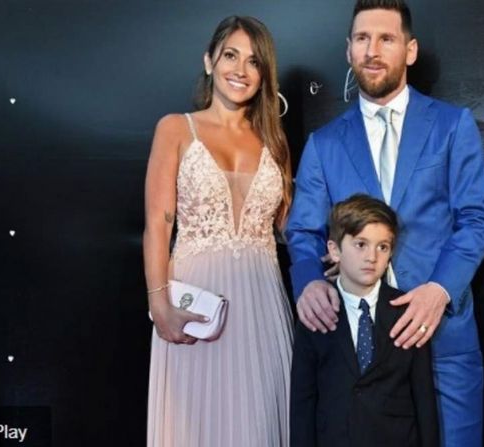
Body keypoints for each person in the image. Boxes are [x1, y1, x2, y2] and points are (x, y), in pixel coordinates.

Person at [285, 1, 484, 446]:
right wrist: (308, 282)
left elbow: (476, 220)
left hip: (441, 338)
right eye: (362, 39)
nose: (372, 50)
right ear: (348, 50)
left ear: (410, 50)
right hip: (360, 353)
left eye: (386, 38)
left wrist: (439, 290)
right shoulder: (324, 144)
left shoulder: (452, 126)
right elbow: (303, 232)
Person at [143, 15, 294, 447]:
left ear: (264, 74)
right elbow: (157, 224)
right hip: (196, 304)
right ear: (209, 62)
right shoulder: (175, 128)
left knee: (258, 425)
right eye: (230, 55)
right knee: (195, 426)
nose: (240, 70)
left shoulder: (274, 140)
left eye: (253, 61)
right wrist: (159, 304)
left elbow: (290, 227)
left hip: (262, 305)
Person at [290, 194, 438, 447]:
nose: (372, 257)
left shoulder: (407, 312)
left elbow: (424, 399)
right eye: (361, 244)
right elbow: (303, 401)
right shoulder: (316, 311)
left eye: (383, 247)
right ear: (334, 250)